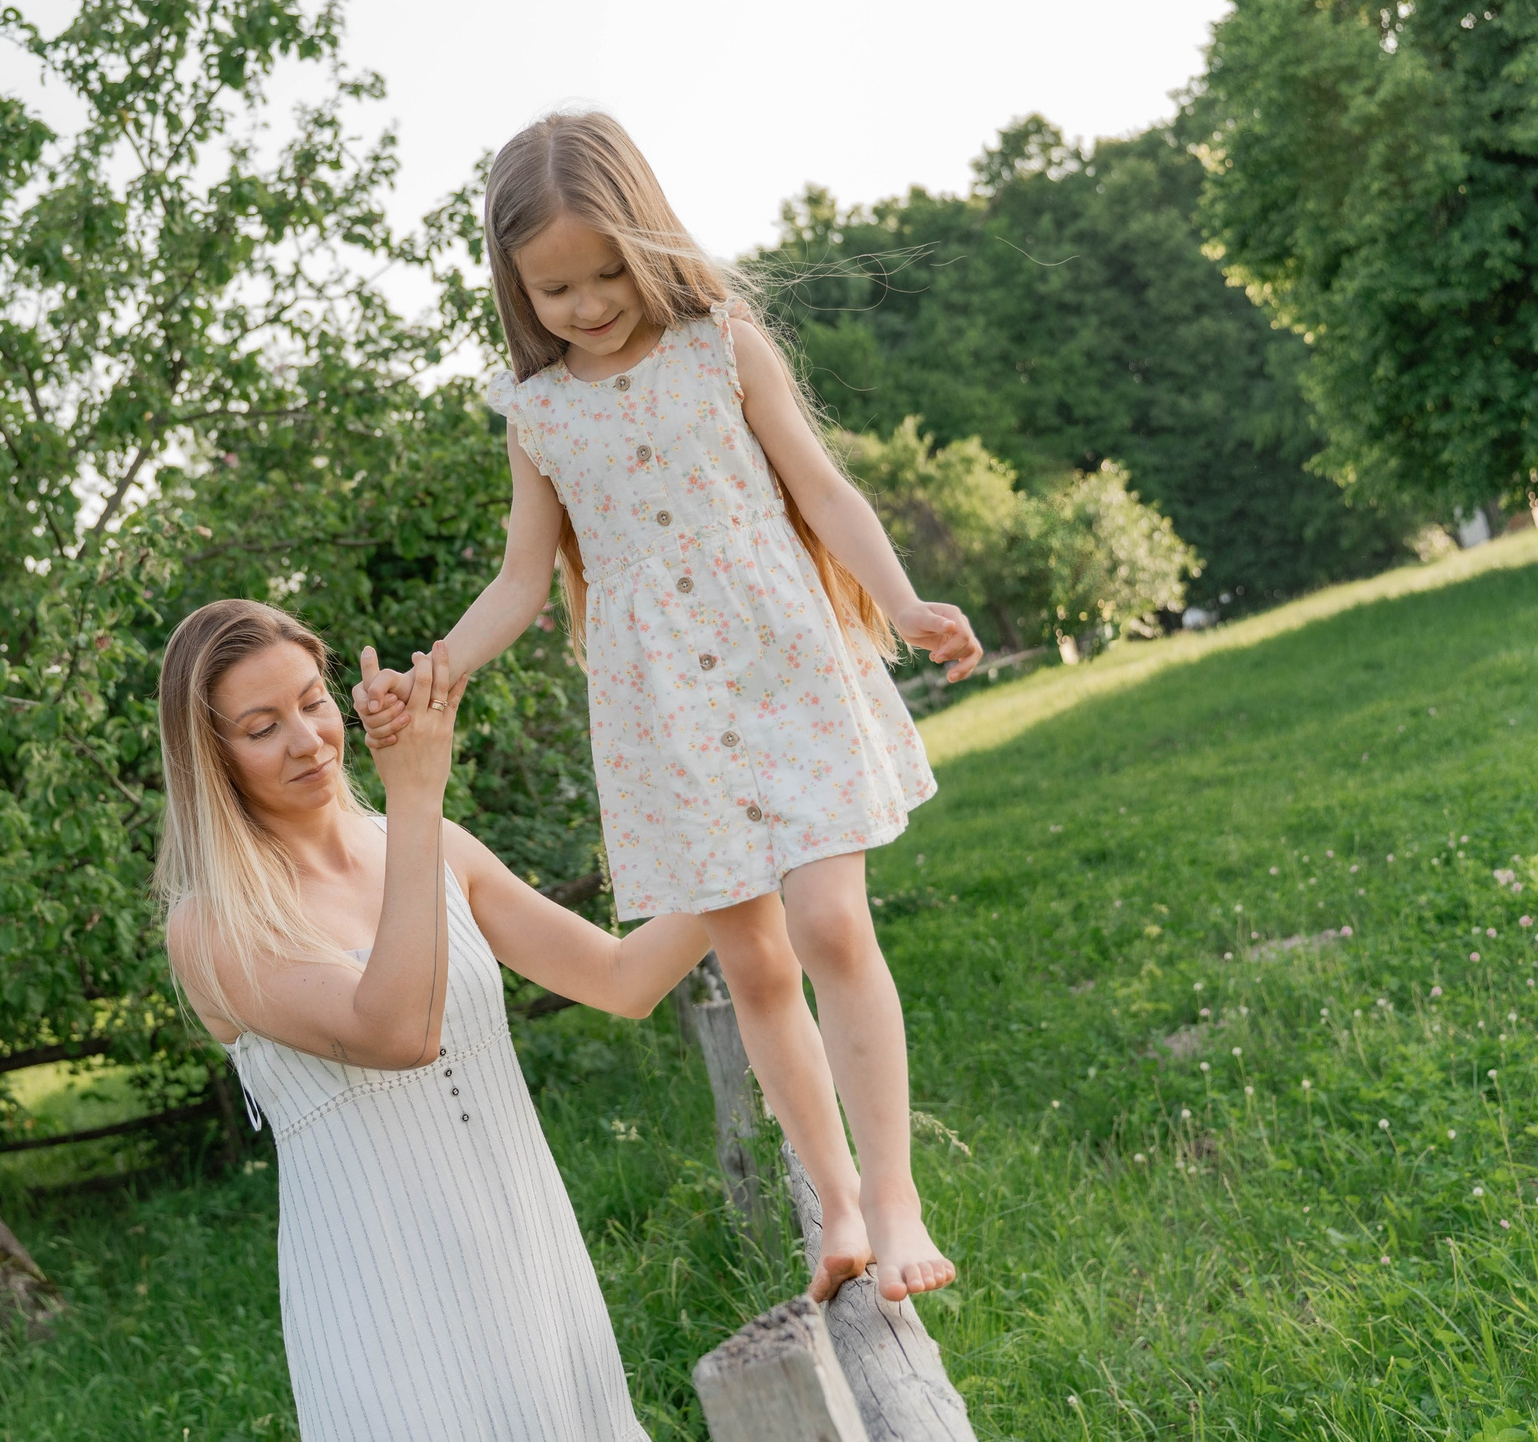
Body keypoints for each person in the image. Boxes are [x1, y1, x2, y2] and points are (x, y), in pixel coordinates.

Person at [356, 110, 984, 1304]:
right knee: (751, 968)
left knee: (832, 928)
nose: (588, 304)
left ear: (647, 239)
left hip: (783, 663)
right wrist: (435, 667)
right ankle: (836, 1208)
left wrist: (900, 604)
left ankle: (897, 1199)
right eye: (555, 289)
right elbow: (521, 579)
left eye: (604, 272)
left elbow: (822, 488)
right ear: (513, 286)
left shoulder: (719, 345)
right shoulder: (538, 417)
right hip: (662, 714)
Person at [156, 598, 708, 1442]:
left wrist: (763, 852)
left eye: (312, 701)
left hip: (530, 1261)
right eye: (262, 726)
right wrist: (415, 793)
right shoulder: (214, 924)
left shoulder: (428, 841)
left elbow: (621, 978)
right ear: (213, 758)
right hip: (388, 1309)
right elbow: (398, 1032)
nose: (308, 739)